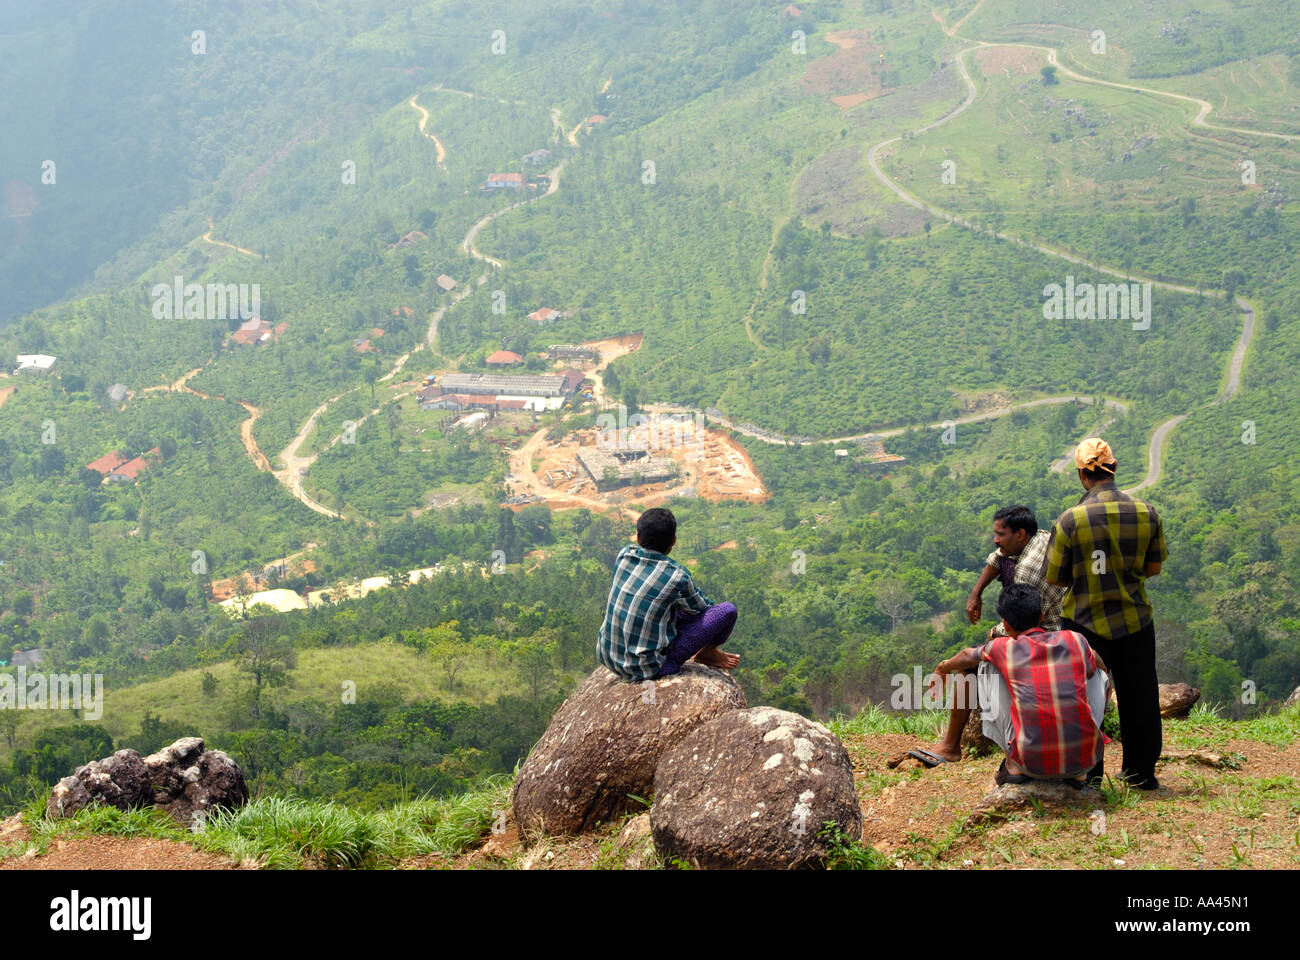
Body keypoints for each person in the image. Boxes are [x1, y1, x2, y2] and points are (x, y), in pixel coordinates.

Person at [1045, 438, 1167, 790]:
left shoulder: (1070, 520)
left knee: (1085, 699)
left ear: (1083, 475)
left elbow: (1055, 577)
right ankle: (1140, 773)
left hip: (1085, 624)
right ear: (1113, 468)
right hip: (1135, 620)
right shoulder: (1147, 512)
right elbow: (1154, 567)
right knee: (1140, 695)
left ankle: (1088, 775)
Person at [913, 505, 1067, 765]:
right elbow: (998, 557)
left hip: (1044, 635)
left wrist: (991, 636)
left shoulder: (1027, 572)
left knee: (967, 671)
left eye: (1001, 534)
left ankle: (951, 747)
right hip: (1048, 631)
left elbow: (1015, 624)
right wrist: (976, 592)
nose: (995, 540)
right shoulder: (1037, 537)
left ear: (1020, 534)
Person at [933, 584, 1109, 785]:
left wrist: (942, 668)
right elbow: (1096, 660)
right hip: (1084, 763)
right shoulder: (1075, 639)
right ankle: (1076, 768)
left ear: (1005, 625)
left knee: (987, 668)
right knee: (1097, 673)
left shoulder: (1003, 647)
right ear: (1041, 616)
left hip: (1029, 764)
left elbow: (967, 656)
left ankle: (1014, 762)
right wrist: (1106, 683)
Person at [596, 507, 739, 682]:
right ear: (673, 541)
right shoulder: (677, 577)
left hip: (607, 657)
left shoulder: (624, 555)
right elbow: (702, 609)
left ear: (638, 538)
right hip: (651, 668)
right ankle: (707, 653)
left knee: (664, 605)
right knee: (727, 611)